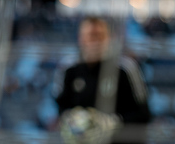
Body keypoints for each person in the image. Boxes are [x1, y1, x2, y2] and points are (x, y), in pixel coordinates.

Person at [54, 16, 151, 144]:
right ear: (80, 39)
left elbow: (144, 114)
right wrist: (73, 120)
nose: (95, 42)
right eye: (90, 36)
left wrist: (114, 123)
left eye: (99, 36)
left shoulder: (125, 69)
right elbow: (60, 107)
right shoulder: (69, 68)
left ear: (109, 39)